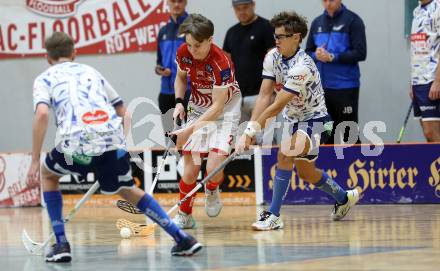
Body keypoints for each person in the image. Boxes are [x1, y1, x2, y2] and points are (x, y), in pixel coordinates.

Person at [26, 32, 202, 262]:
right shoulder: (92, 72)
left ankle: (61, 245)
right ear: (74, 53)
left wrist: (34, 160)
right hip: (112, 141)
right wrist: (120, 150)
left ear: (47, 57)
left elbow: (41, 114)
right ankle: (182, 239)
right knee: (127, 190)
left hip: (76, 144)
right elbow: (125, 113)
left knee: (48, 175)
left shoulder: (44, 78)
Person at [236, 11, 359, 231]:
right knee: (306, 173)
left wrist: (252, 131)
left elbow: (277, 105)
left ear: (297, 37)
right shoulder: (272, 57)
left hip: (318, 120)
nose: (278, 41)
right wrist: (249, 130)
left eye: (283, 36)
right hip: (294, 122)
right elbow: (265, 96)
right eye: (276, 36)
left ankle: (273, 215)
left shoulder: (303, 66)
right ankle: (343, 197)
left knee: (285, 152)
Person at [171, 14, 242, 228]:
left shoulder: (222, 63)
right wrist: (179, 102)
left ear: (210, 39)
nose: (192, 50)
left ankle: (211, 188)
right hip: (198, 106)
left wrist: (188, 130)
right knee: (191, 169)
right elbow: (181, 78)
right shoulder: (184, 52)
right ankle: (185, 215)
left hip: (225, 112)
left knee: (213, 166)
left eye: (198, 45)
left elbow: (217, 107)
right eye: (189, 44)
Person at [305, 0, 366, 144]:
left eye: (331, 0)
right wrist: (316, 55)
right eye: (324, 0)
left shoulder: (353, 20)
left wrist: (332, 57)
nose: (328, 3)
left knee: (347, 133)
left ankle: (355, 165)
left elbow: (360, 53)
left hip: (345, 87)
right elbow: (308, 52)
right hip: (321, 89)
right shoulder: (317, 22)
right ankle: (329, 166)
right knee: (326, 134)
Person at [223, 0, 275, 122]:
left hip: (262, 95)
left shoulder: (266, 27)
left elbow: (275, 60)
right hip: (238, 98)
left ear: (253, 5)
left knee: (262, 138)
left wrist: (271, 92)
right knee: (242, 138)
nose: (242, 12)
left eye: (245, 7)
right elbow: (225, 64)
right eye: (238, 9)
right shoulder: (231, 32)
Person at [156, 0, 190, 132]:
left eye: (180, 1)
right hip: (166, 92)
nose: (176, 4)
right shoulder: (163, 31)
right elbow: (159, 62)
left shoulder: (192, 28)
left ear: (185, 2)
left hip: (187, 90)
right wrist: (160, 70)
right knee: (170, 136)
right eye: (173, 1)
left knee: (188, 135)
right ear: (167, 3)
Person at [410, 0, 440, 142]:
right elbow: (416, 50)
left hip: (432, 80)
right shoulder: (416, 11)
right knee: (427, 136)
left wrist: (438, 81)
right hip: (418, 82)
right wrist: (412, 82)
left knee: (432, 133)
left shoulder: (438, 8)